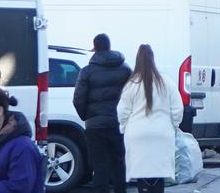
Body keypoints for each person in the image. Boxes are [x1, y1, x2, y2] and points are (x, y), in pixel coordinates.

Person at [117, 44, 183, 193]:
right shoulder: (167, 82)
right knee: (158, 175)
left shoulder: (131, 85)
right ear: (153, 59)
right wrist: (173, 126)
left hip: (137, 134)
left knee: (142, 174)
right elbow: (178, 109)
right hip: (162, 134)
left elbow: (122, 111)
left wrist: (125, 128)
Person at [73, 33, 132, 193]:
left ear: (95, 48)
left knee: (99, 165)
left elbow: (78, 98)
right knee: (119, 162)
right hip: (119, 123)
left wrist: (87, 116)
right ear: (109, 46)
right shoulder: (125, 69)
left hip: (95, 126)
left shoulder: (87, 71)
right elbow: (132, 94)